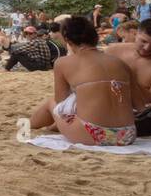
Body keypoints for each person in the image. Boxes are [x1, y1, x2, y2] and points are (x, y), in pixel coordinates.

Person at [27, 16, 136, 146]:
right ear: (94, 37)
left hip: (96, 134)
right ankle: (54, 126)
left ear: (67, 39)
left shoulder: (63, 63)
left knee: (52, 103)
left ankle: (27, 125)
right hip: (128, 134)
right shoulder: (118, 62)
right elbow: (137, 101)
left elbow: (61, 102)